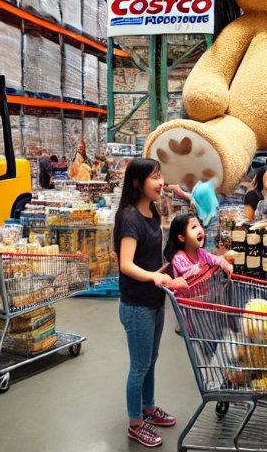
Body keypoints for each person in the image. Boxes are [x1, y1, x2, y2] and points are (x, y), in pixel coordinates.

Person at [114, 159, 188, 448]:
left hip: (154, 299)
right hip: (137, 304)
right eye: (154, 177)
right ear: (137, 182)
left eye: (161, 176)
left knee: (151, 360)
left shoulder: (152, 212)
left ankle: (148, 408)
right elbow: (126, 264)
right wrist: (155, 277)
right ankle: (135, 423)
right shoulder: (130, 218)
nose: (161, 183)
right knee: (139, 365)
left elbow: (152, 256)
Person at [164, 213, 234, 280]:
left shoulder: (202, 253)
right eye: (194, 227)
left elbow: (215, 259)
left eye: (200, 226)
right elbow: (187, 276)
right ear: (182, 238)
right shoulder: (179, 258)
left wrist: (225, 265)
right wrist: (201, 267)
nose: (200, 229)